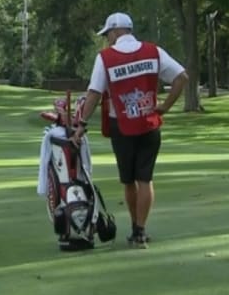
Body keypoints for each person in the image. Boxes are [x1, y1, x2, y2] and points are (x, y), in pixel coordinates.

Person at [72, 12, 188, 249]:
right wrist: (164, 106)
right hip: (149, 124)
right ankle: (140, 231)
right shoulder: (153, 51)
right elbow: (181, 77)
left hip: (121, 126)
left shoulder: (105, 58)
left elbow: (94, 93)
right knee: (145, 179)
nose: (107, 40)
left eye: (107, 35)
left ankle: (136, 227)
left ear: (115, 32)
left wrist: (81, 124)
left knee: (128, 181)